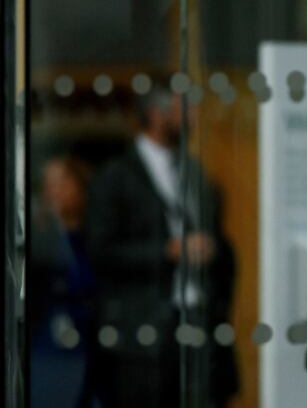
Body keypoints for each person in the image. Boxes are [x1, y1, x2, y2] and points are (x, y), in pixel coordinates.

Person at [85, 86, 238, 407]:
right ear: (157, 113)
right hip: (144, 333)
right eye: (186, 109)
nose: (194, 118)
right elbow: (101, 252)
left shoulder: (194, 172)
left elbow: (221, 246)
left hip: (199, 323)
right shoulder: (115, 176)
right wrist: (169, 251)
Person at [29, 156, 97, 407]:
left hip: (93, 344)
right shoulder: (40, 237)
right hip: (50, 349)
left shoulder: (96, 234)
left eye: (61, 182)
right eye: (47, 184)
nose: (53, 191)